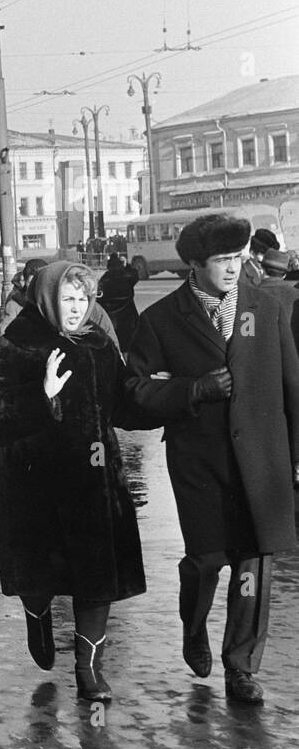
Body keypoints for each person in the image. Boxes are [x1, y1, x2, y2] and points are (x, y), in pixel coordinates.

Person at [128, 213, 299, 704]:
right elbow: (134, 393)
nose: (231, 268)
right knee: (205, 561)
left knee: (253, 562)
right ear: (195, 264)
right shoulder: (161, 318)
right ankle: (194, 624)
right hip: (199, 462)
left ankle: (240, 667)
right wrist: (193, 390)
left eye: (237, 258)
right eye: (222, 260)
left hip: (263, 459)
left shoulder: (264, 308)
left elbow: (293, 385)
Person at [0, 262, 151, 701]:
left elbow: (123, 401)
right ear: (49, 298)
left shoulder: (96, 340)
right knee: (39, 573)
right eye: (67, 299)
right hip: (35, 484)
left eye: (81, 300)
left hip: (93, 481)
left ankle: (88, 670)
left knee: (97, 578)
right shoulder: (18, 339)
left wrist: (170, 395)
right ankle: (37, 615)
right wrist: (42, 395)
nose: (75, 309)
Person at [257, 248, 299, 351]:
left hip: (264, 357)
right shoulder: (296, 295)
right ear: (284, 274)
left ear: (261, 269)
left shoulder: (249, 295)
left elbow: (246, 334)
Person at [97, 253, 140, 352]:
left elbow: (99, 296)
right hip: (128, 316)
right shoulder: (127, 277)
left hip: (111, 318)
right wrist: (127, 265)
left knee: (114, 345)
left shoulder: (105, 279)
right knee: (129, 346)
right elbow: (136, 275)